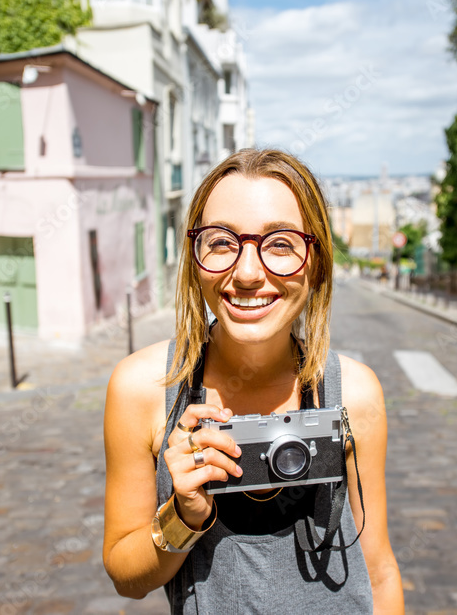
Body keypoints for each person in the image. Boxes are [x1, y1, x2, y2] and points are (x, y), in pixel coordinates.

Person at [102, 148, 404, 613]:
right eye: (221, 241)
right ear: (194, 256)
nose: (246, 273)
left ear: (316, 260)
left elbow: (378, 570)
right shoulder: (144, 389)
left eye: (280, 244)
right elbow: (126, 575)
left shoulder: (354, 393)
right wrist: (183, 516)